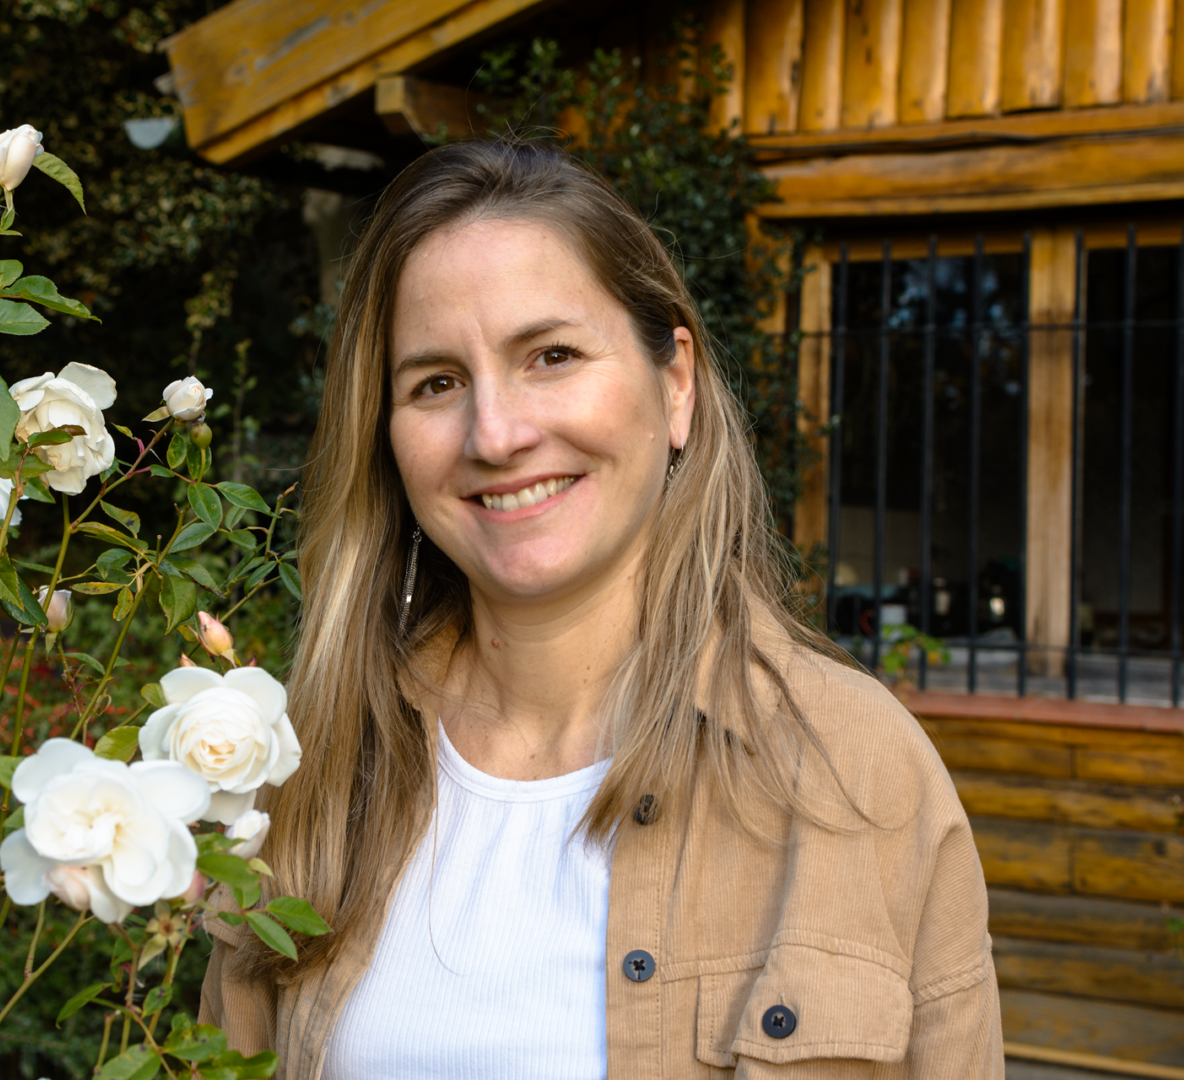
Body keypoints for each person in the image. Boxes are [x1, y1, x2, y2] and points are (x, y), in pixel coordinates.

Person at [200, 140, 1002, 1078]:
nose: (496, 434)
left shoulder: (857, 770)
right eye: (436, 382)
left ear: (676, 384)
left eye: (552, 355)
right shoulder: (314, 772)